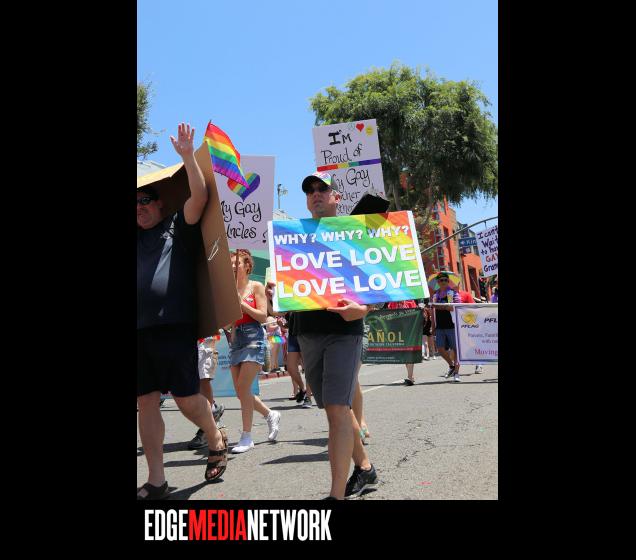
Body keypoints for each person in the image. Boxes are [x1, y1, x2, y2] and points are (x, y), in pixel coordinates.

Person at [268, 171, 377, 499]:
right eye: (310, 190)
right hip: (308, 333)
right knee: (334, 408)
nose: (315, 193)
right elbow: (283, 296)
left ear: (336, 197)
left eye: (322, 188)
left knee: (336, 410)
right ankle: (365, 468)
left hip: (344, 332)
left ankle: (335, 495)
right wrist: (276, 295)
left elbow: (379, 279)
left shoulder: (354, 233)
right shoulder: (293, 237)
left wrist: (363, 309)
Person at [137, 123, 228, 499]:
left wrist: (188, 157)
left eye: (145, 200)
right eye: (135, 203)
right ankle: (157, 479)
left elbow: (200, 196)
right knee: (145, 402)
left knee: (187, 399)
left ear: (160, 204)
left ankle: (214, 435)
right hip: (139, 331)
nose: (140, 207)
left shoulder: (178, 224)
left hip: (174, 326)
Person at [229, 249, 281, 453]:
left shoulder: (256, 286)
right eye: (231, 264)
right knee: (240, 392)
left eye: (237, 263)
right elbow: (229, 321)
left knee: (243, 388)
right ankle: (270, 414)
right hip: (236, 339)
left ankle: (246, 437)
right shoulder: (229, 289)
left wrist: (241, 304)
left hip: (253, 337)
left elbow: (262, 316)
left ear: (247, 266)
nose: (234, 267)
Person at [187, 335, 226, 450]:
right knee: (192, 384)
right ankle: (213, 412)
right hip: (188, 341)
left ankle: (210, 422)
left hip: (204, 341)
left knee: (202, 379)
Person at [431, 272, 462, 382]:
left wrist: (442, 307)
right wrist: (433, 326)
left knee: (456, 349)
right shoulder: (435, 295)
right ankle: (451, 365)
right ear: (438, 282)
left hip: (452, 325)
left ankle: (457, 373)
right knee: (440, 348)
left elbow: (457, 307)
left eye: (445, 280)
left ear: (448, 281)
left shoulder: (452, 293)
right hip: (440, 326)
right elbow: (432, 311)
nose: (443, 282)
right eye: (441, 280)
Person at [386, 300, 418, 385]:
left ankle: (410, 377)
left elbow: (415, 315)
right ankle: (411, 376)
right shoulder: (392, 303)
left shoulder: (410, 302)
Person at [456, 286, 483, 375]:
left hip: (468, 323)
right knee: (458, 346)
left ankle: (479, 364)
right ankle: (454, 368)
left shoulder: (465, 294)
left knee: (474, 343)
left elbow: (473, 307)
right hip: (455, 324)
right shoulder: (447, 295)